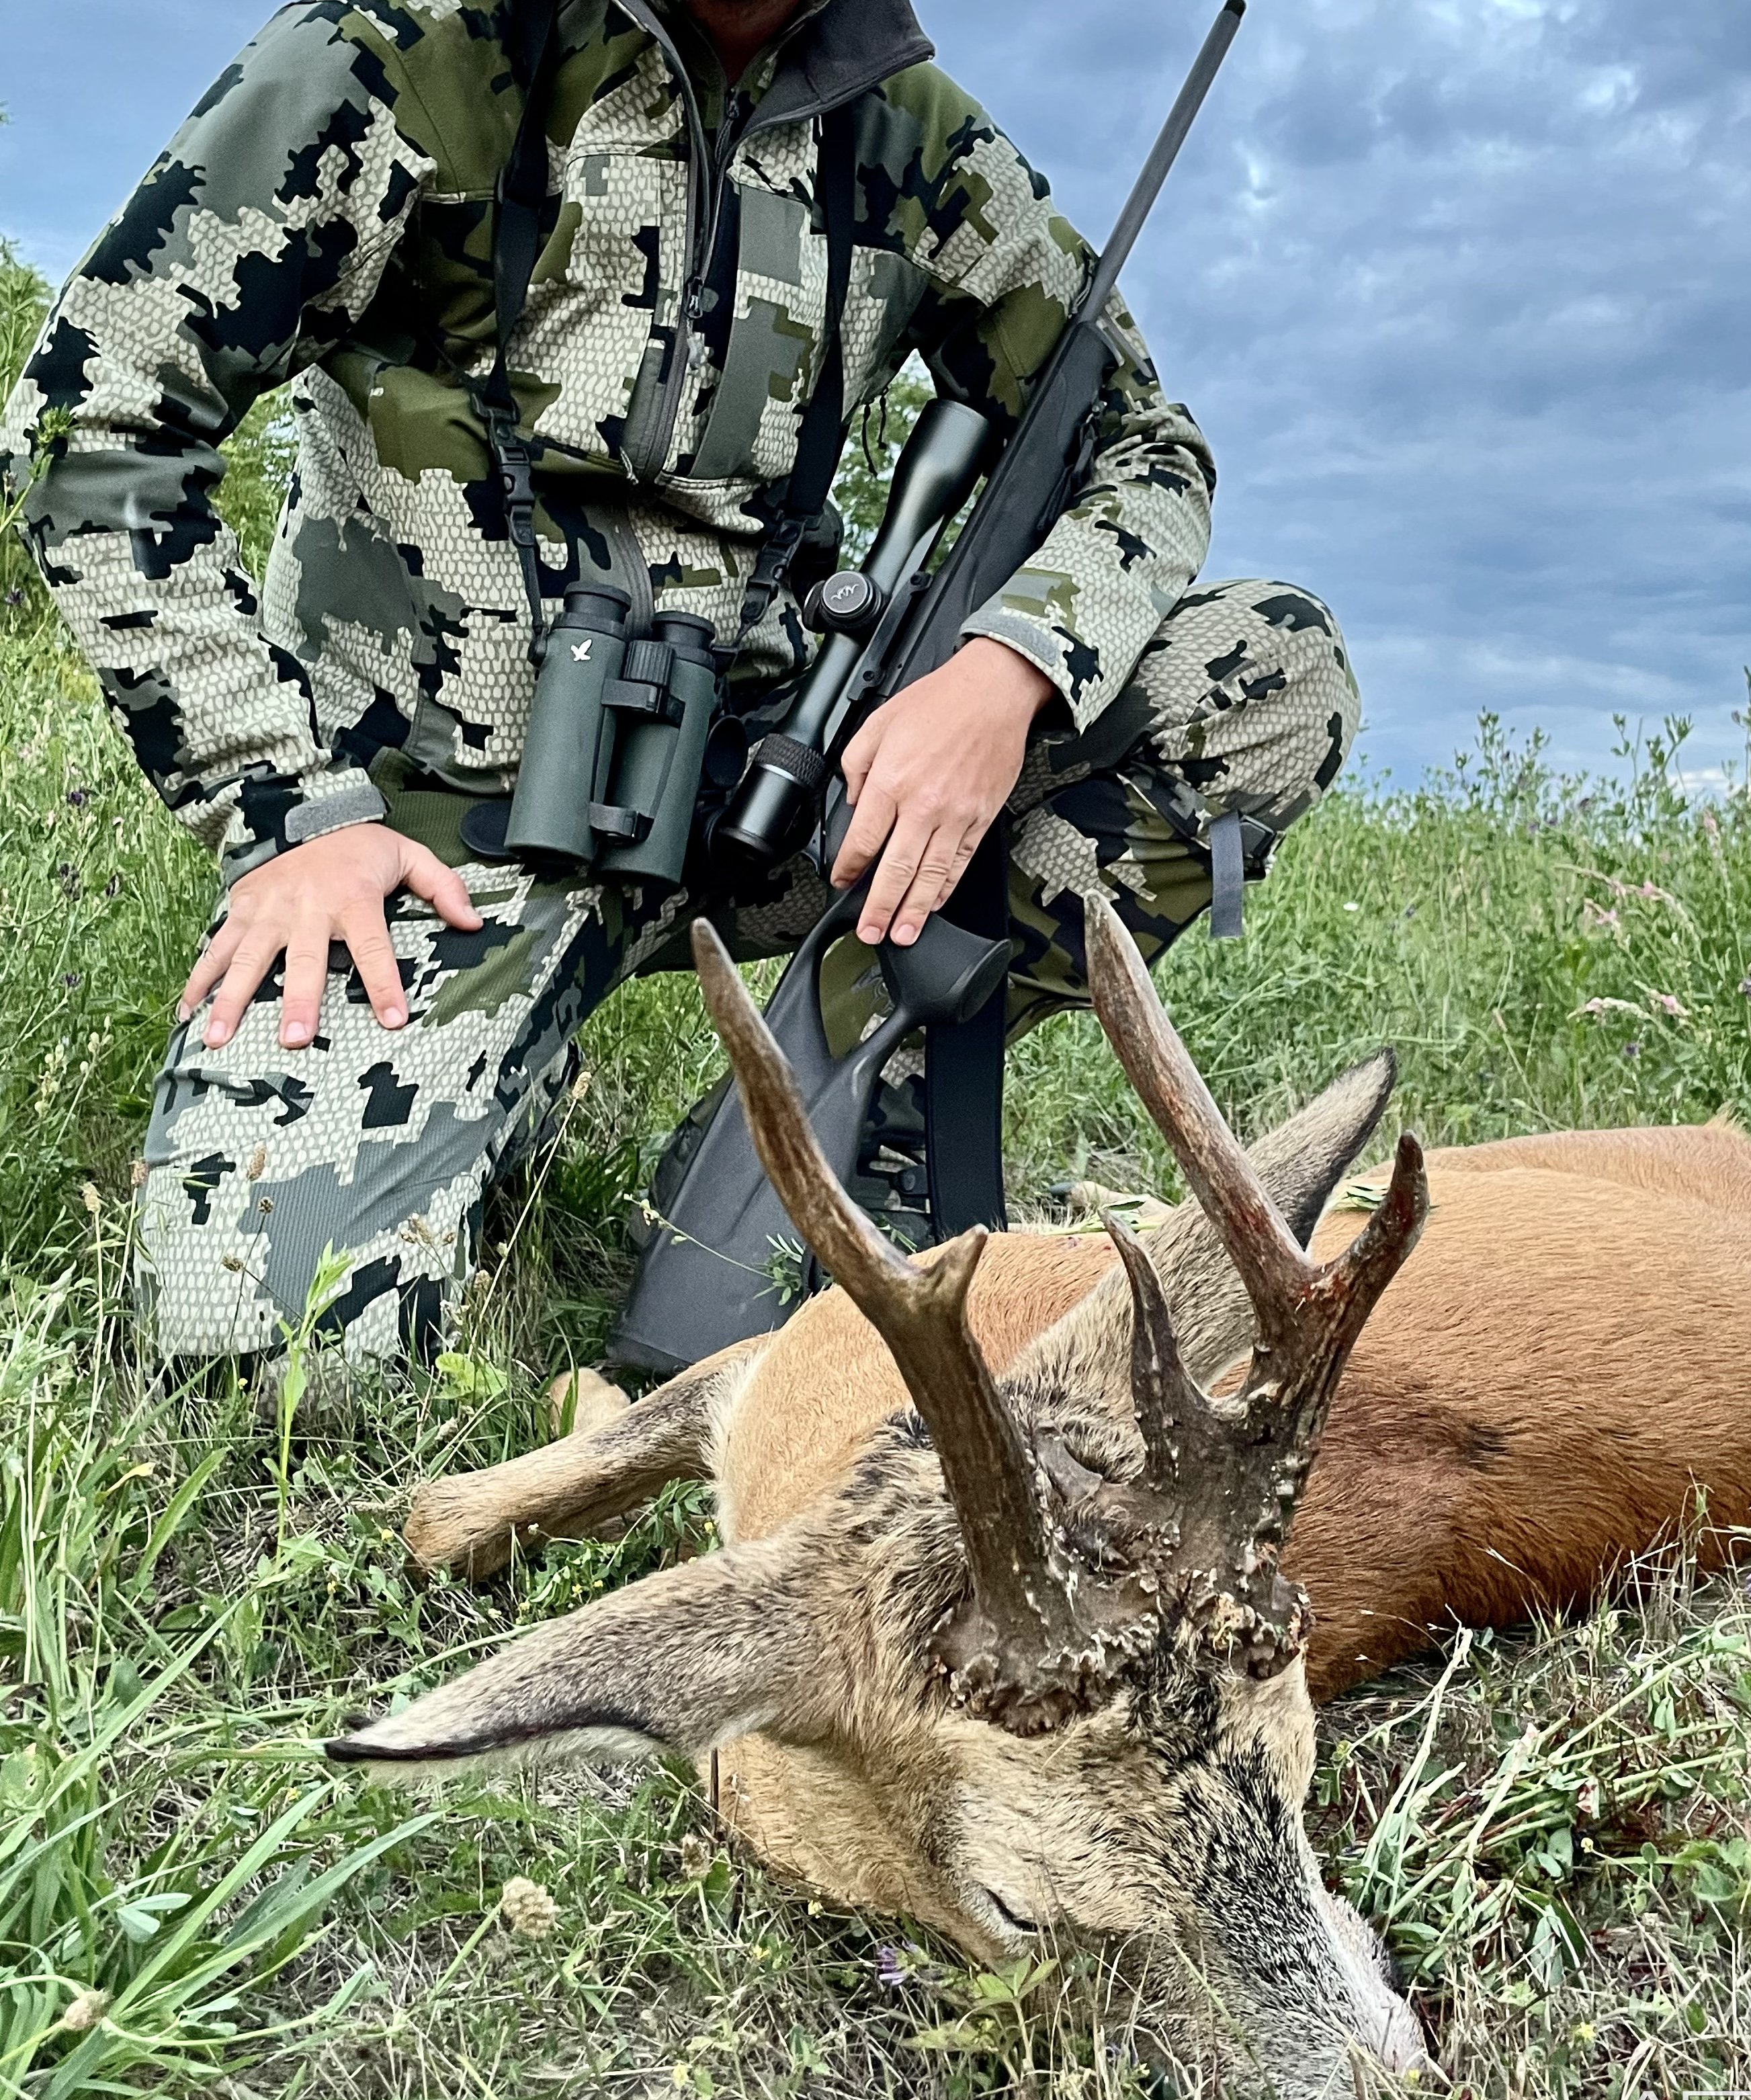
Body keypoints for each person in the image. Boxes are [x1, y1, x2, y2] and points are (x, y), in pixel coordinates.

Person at [3, 0, 1357, 1372]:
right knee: (253, 1343)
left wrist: (1008, 672)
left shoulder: (913, 135)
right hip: (442, 835)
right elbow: (92, 417)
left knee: (1265, 676)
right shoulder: (405, 49)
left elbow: (1146, 443)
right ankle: (494, 1066)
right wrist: (288, 814)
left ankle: (826, 1093)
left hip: (772, 785)